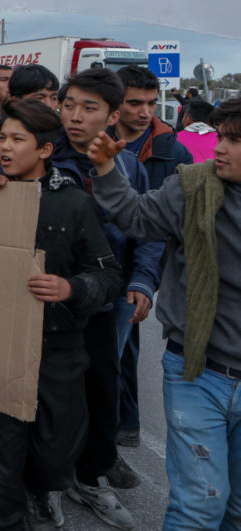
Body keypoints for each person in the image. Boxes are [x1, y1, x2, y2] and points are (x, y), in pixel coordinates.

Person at [86, 98, 241, 530]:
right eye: (222, 137)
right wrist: (104, 169)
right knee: (199, 506)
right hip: (197, 371)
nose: (221, 148)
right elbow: (136, 218)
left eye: (234, 140)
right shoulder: (193, 187)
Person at [0, 99, 122, 530]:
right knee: (3, 447)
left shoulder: (76, 204)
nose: (4, 148)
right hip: (1, 342)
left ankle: (43, 486)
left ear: (43, 150)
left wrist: (72, 288)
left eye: (17, 140)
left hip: (60, 346)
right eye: (1, 138)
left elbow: (109, 274)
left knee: (57, 448)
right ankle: (7, 519)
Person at [51, 68, 161, 531]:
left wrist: (142, 281)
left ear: (112, 116)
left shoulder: (129, 165)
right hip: (49, 300)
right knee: (49, 395)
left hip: (108, 301)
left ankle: (91, 478)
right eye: (69, 104)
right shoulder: (41, 153)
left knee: (102, 388)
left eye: (89, 108)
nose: (75, 116)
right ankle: (47, 483)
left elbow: (147, 231)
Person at [108, 65, 192, 460]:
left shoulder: (173, 152)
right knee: (110, 354)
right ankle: (111, 434)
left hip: (144, 263)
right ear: (115, 104)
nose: (145, 112)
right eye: (134, 102)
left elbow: (161, 227)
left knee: (122, 351)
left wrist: (145, 279)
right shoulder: (94, 142)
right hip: (102, 265)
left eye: (151, 103)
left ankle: (120, 433)